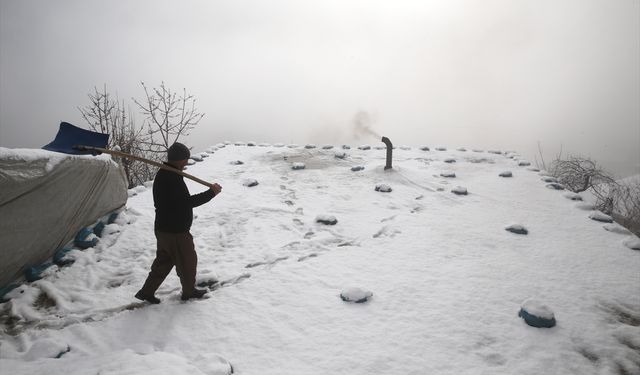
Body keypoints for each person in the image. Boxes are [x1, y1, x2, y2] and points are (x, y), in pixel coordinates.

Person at [135, 142, 222, 303]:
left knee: (163, 262)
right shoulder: (170, 178)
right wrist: (211, 193)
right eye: (186, 159)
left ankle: (146, 292)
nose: (187, 162)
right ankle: (189, 291)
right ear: (180, 159)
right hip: (175, 232)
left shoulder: (167, 174)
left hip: (163, 229)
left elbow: (179, 202)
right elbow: (186, 202)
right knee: (188, 261)